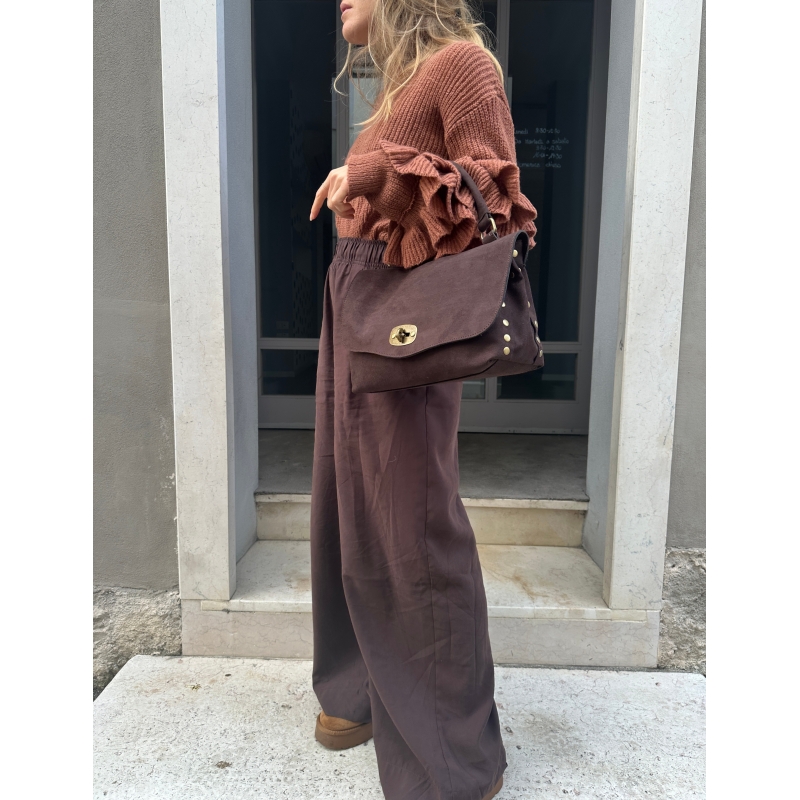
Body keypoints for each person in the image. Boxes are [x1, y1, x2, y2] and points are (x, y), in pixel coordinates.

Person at [308, 2, 537, 798]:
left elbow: (493, 199)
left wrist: (379, 177)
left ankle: (453, 758)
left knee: (413, 526)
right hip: (354, 296)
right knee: (347, 511)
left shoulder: (461, 66)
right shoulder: (397, 85)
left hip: (405, 314)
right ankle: (357, 691)